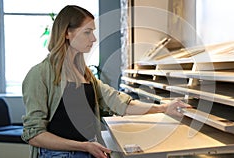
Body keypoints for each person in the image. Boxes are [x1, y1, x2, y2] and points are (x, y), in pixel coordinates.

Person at [21, 5, 191, 158]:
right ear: (67, 33)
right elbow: (34, 135)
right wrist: (84, 146)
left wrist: (163, 108)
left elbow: (119, 103)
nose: (93, 38)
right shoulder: (39, 75)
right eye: (87, 32)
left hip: (88, 150)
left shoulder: (85, 74)